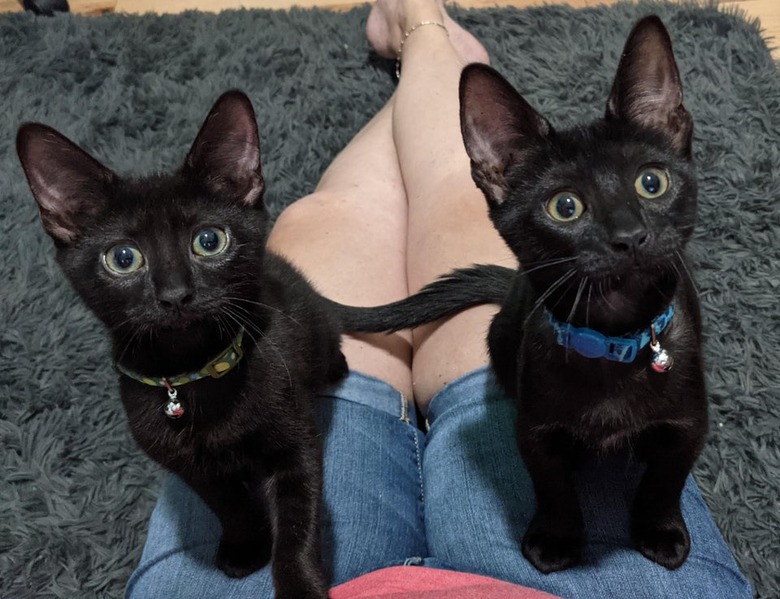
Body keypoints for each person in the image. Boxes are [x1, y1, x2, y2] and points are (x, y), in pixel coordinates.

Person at [125, 0, 753, 597]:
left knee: (336, 219)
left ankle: (422, 42)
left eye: (651, 182)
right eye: (569, 206)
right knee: (442, 203)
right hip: (520, 391)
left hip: (346, 431)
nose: (628, 232)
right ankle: (425, 42)